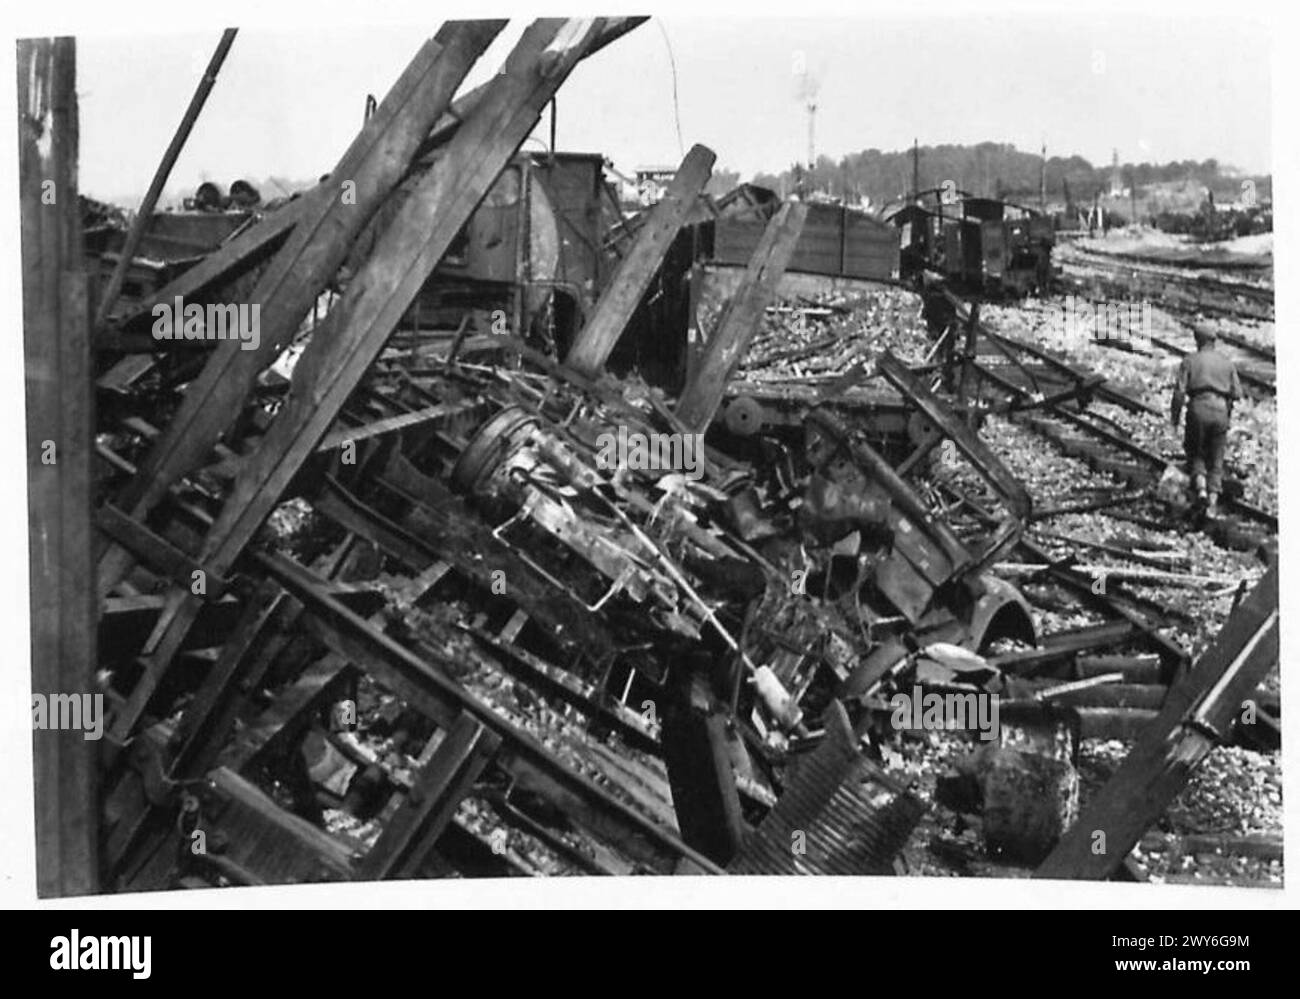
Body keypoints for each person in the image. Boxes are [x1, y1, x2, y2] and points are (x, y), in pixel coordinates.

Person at [1171, 328, 1242, 510]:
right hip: (1221, 411)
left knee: (1196, 450)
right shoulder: (1227, 363)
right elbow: (1237, 393)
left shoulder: (1190, 360)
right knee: (1217, 457)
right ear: (1214, 341)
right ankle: (1212, 501)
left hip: (1198, 408)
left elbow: (1179, 393)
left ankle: (1201, 489)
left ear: (1197, 340)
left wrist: (1175, 418)